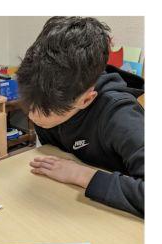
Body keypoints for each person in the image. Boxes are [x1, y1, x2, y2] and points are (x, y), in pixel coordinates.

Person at [16, 16, 144, 218]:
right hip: (65, 205)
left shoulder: (120, 115)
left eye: (47, 110)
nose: (33, 115)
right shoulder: (46, 91)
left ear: (86, 100)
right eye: (27, 102)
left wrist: (80, 175)